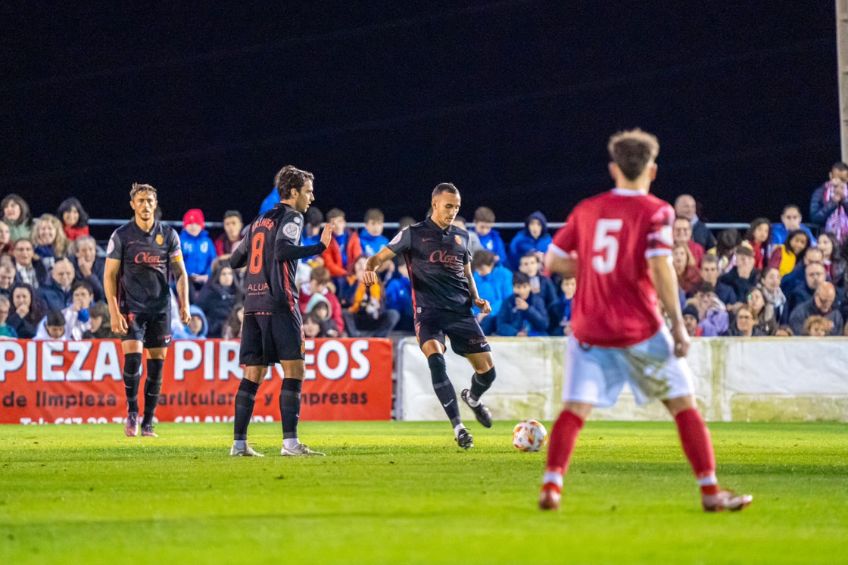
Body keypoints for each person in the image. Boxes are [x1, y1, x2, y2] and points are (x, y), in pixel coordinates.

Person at [539, 129, 751, 512]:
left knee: (574, 409)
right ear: (652, 170)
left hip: (589, 328)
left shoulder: (587, 209)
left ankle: (552, 485)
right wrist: (679, 325)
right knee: (683, 405)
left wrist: (595, 268)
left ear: (613, 168)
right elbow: (660, 266)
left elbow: (552, 262)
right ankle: (710, 491)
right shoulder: (657, 211)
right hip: (640, 329)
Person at [364, 183, 498, 449]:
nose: (453, 211)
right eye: (449, 206)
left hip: (461, 313)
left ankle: (472, 397)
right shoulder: (412, 234)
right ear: (435, 203)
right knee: (436, 361)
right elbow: (378, 258)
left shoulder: (462, 237)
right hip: (428, 313)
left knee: (488, 373)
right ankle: (459, 428)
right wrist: (370, 268)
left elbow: (468, 274)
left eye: (457, 207)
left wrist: (477, 299)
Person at [228, 165, 333, 457]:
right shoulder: (293, 216)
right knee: (295, 369)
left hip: (253, 307)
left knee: (253, 373)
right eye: (308, 192)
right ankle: (290, 444)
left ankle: (238, 444)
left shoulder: (260, 220)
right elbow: (283, 251)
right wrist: (318, 248)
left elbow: (235, 261)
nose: (311, 198)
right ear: (295, 192)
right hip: (280, 304)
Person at [104, 183, 191, 438]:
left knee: (156, 368)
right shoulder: (122, 235)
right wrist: (112, 309)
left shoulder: (169, 235)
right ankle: (132, 412)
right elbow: (109, 275)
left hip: (161, 309)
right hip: (131, 307)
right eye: (140, 201)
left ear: (156, 204)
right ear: (132, 204)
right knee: (132, 361)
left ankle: (149, 422)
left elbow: (181, 273)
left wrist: (184, 304)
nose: (145, 206)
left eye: (150, 201)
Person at [341, 256, 400, 337]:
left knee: (393, 314)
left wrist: (374, 306)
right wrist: (358, 283)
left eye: (364, 264)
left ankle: (378, 338)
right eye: (359, 264)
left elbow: (382, 305)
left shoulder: (376, 283)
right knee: (344, 313)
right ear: (354, 266)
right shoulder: (348, 282)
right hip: (356, 317)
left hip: (373, 317)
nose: (362, 266)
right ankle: (354, 338)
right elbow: (344, 301)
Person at [196, 263, 243, 338]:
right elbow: (198, 310)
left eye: (230, 274)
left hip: (234, 333)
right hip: (212, 332)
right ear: (218, 276)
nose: (227, 277)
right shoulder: (209, 293)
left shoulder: (240, 294)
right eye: (223, 274)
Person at [496, 271, 549, 336]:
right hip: (515, 338)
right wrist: (515, 333)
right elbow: (501, 325)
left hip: (535, 336)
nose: (522, 291)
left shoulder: (537, 301)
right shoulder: (508, 302)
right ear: (513, 288)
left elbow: (544, 324)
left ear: (530, 286)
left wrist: (528, 309)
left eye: (524, 287)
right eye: (518, 287)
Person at [809, 162, 848, 241]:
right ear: (830, 176)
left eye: (843, 180)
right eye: (836, 178)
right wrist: (832, 203)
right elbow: (815, 218)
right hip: (827, 240)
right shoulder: (820, 192)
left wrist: (844, 200)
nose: (839, 182)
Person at [180, 209, 218, 290]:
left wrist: (208, 275)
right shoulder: (180, 241)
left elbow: (213, 260)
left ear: (201, 225)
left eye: (196, 223)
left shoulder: (207, 241)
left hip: (206, 279)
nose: (193, 226)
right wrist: (188, 275)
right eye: (190, 223)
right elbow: (177, 262)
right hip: (186, 279)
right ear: (185, 226)